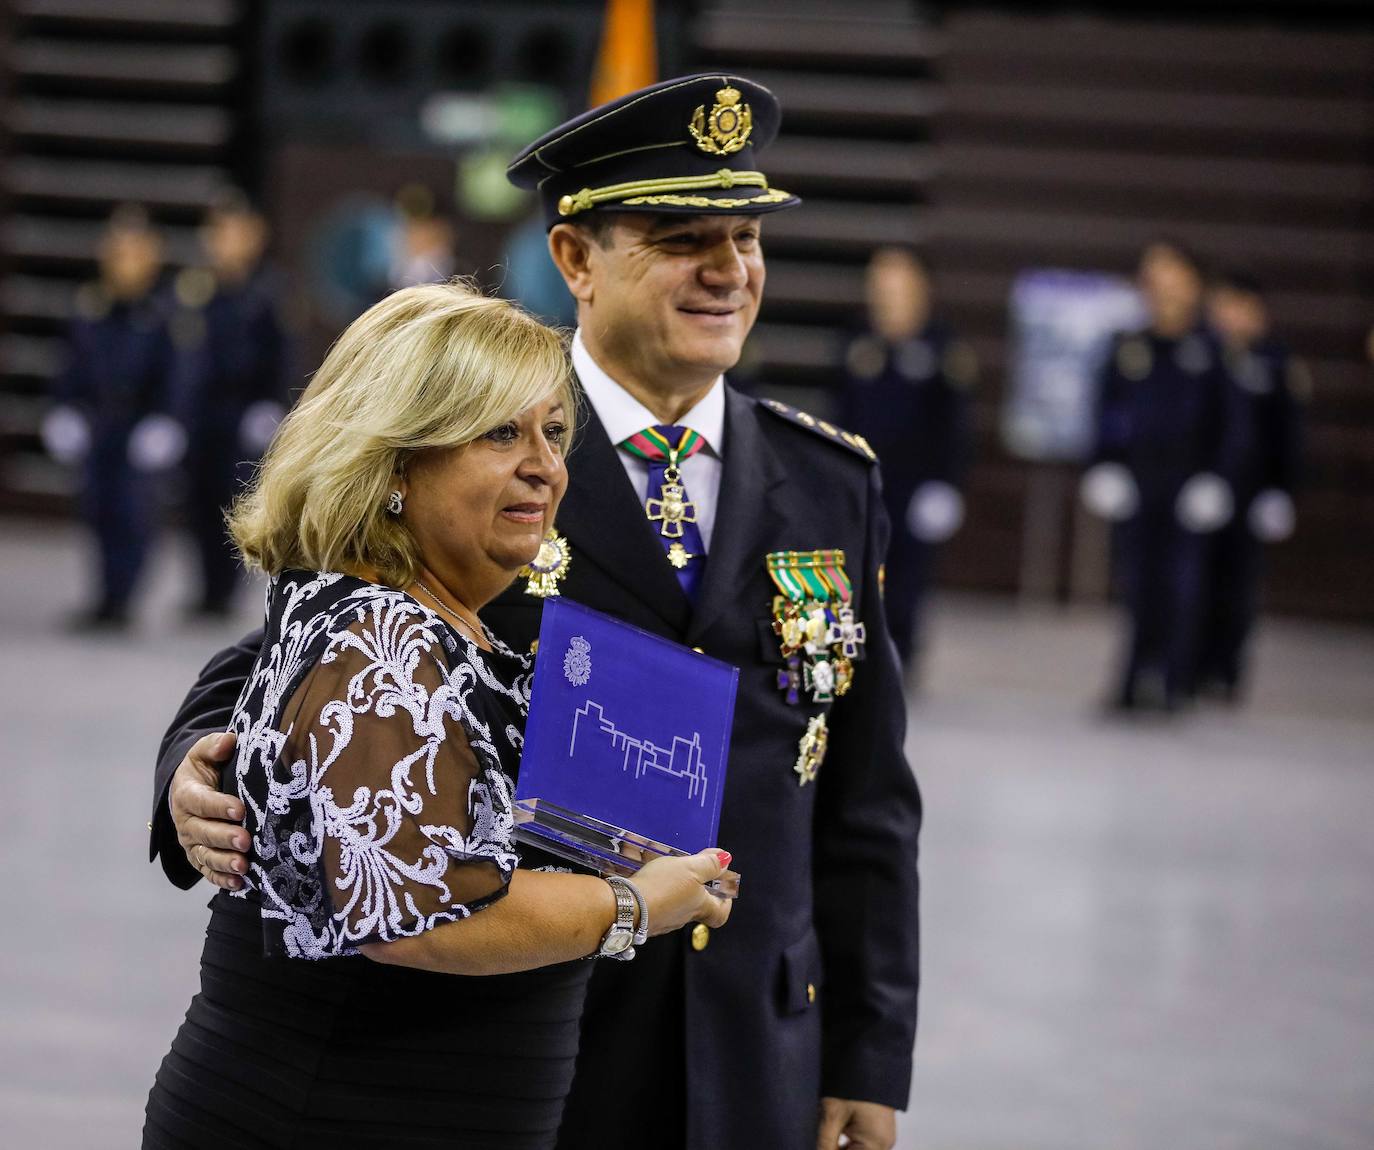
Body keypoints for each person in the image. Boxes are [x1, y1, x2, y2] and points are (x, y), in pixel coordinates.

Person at [150, 74, 921, 1150]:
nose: (728, 270)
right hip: (526, 1025)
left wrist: (869, 1054)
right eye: (679, 235)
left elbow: (866, 795)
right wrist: (192, 762)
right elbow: (296, 651)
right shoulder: (471, 440)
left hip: (750, 1048)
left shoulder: (832, 480)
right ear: (576, 259)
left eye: (746, 237)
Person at [142, 281, 732, 1150]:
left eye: (554, 433)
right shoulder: (382, 633)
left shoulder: (404, 613)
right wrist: (635, 905)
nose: (547, 465)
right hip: (342, 1110)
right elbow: (425, 916)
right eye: (502, 432)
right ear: (393, 464)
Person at [1083, 240, 1235, 711]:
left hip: (1189, 486)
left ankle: (1173, 681)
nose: (1163, 288)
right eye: (1154, 278)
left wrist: (1216, 477)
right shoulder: (1129, 346)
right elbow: (1105, 411)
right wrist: (1104, 465)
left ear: (1193, 284)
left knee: (1182, 585)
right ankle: (1131, 680)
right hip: (1138, 482)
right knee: (1135, 585)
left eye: (1173, 276)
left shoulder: (1212, 351)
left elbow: (1231, 422)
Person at [42, 204, 179, 629]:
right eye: (117, 251)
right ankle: (104, 596)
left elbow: (178, 375)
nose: (125, 262)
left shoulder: (164, 313)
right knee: (98, 510)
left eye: (135, 251)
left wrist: (167, 421)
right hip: (100, 424)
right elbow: (71, 368)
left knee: (132, 513)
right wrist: (62, 411)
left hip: (139, 426)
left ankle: (123, 598)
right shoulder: (91, 309)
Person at [839, 246, 973, 669]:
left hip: (917, 485)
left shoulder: (942, 347)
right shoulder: (857, 339)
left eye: (897, 285)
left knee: (907, 579)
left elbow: (956, 425)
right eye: (879, 285)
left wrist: (947, 485)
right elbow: (839, 412)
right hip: (864, 480)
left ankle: (902, 659)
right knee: (859, 575)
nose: (887, 295)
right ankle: (858, 657)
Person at [170, 190, 293, 618]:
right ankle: (204, 587)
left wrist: (271, 406)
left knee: (233, 501)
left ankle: (223, 592)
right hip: (201, 413)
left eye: (234, 233)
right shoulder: (197, 289)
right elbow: (184, 355)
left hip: (242, 412)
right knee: (198, 500)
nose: (224, 242)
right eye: (217, 233)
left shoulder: (268, 290)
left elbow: (282, 355)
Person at [1199, 270, 1307, 699]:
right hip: (1206, 489)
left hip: (1253, 492)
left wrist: (1282, 490)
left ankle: (1227, 671)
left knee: (1238, 587)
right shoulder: (1205, 356)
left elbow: (1289, 433)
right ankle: (1190, 665)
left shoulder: (1276, 362)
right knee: (1196, 582)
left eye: (1236, 306)